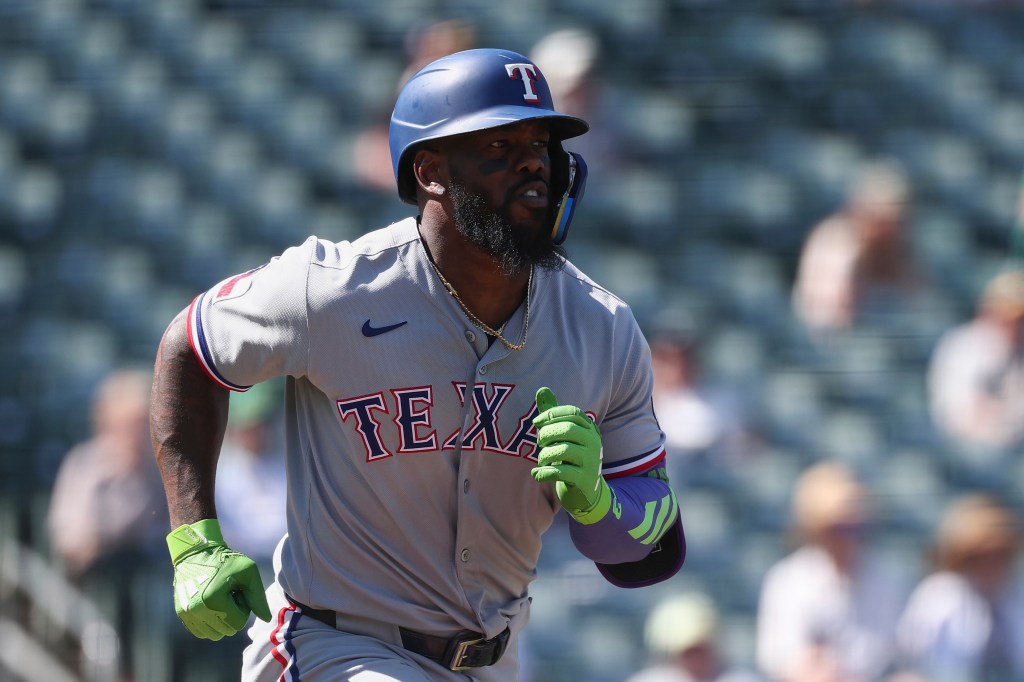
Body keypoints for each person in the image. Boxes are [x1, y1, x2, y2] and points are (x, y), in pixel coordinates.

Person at [149, 48, 685, 682]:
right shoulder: (334, 289)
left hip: (495, 660)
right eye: (500, 144)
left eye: (542, 143)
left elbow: (654, 553)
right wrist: (193, 541)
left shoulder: (602, 328)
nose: (533, 162)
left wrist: (599, 504)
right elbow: (190, 346)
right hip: (335, 644)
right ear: (430, 170)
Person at [756, 461, 906, 682]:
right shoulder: (789, 581)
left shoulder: (887, 579)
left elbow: (896, 657)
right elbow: (784, 662)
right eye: (840, 528)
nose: (849, 537)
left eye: (856, 527)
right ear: (816, 530)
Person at [48, 367, 168, 582]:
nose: (138, 432)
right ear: (108, 421)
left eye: (144, 422)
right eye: (131, 423)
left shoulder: (158, 467)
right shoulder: (85, 464)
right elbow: (70, 535)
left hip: (146, 575)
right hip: (96, 576)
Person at [896, 494, 1024, 681]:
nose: (992, 563)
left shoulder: (1016, 595)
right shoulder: (939, 595)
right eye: (983, 555)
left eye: (1001, 553)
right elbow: (910, 662)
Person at [792, 159, 920, 338]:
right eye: (885, 220)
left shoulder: (899, 249)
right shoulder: (835, 240)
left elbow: (915, 299)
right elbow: (833, 312)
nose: (893, 228)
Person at [927, 269, 1024, 452]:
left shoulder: (1018, 350)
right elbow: (959, 416)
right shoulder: (964, 346)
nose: (1017, 326)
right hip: (964, 448)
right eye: (1012, 318)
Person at [214, 378, 287, 568]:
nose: (256, 432)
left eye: (261, 423)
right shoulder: (221, 476)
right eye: (248, 426)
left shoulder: (292, 464)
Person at [628, 592, 761, 682]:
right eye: (687, 652)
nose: (695, 659)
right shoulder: (649, 679)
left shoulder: (739, 678)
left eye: (699, 649)